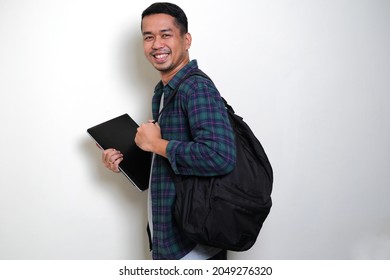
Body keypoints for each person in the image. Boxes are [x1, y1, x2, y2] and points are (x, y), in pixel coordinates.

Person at [101, 2, 236, 260]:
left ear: (186, 40)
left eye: (166, 35)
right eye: (148, 37)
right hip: (167, 239)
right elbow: (167, 164)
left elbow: (221, 156)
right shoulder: (163, 91)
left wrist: (155, 144)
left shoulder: (195, 88)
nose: (156, 44)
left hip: (194, 248)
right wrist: (125, 162)